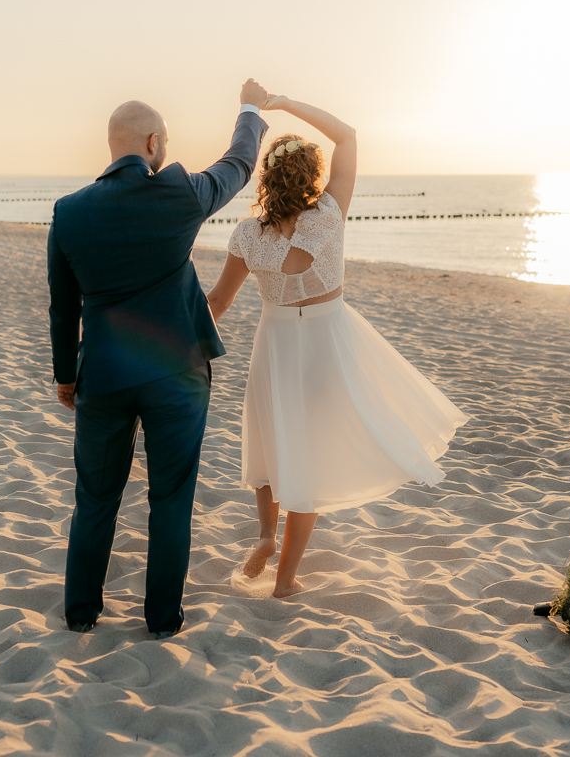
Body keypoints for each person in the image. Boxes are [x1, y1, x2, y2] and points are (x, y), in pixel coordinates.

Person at [205, 93, 467, 598]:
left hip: (274, 346)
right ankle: (285, 581)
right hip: (326, 345)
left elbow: (217, 302)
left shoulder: (247, 235)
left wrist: (179, 342)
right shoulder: (328, 212)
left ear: (267, 181)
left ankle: (265, 535)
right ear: (311, 176)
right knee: (308, 459)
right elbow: (347, 135)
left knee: (270, 442)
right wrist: (282, 101)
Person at [48, 81, 269, 637]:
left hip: (103, 376)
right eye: (164, 138)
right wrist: (249, 107)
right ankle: (163, 621)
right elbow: (239, 164)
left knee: (95, 499)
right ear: (152, 142)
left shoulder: (69, 212)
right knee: (171, 500)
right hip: (177, 375)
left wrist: (66, 377)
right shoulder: (180, 193)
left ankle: (81, 613)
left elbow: (63, 307)